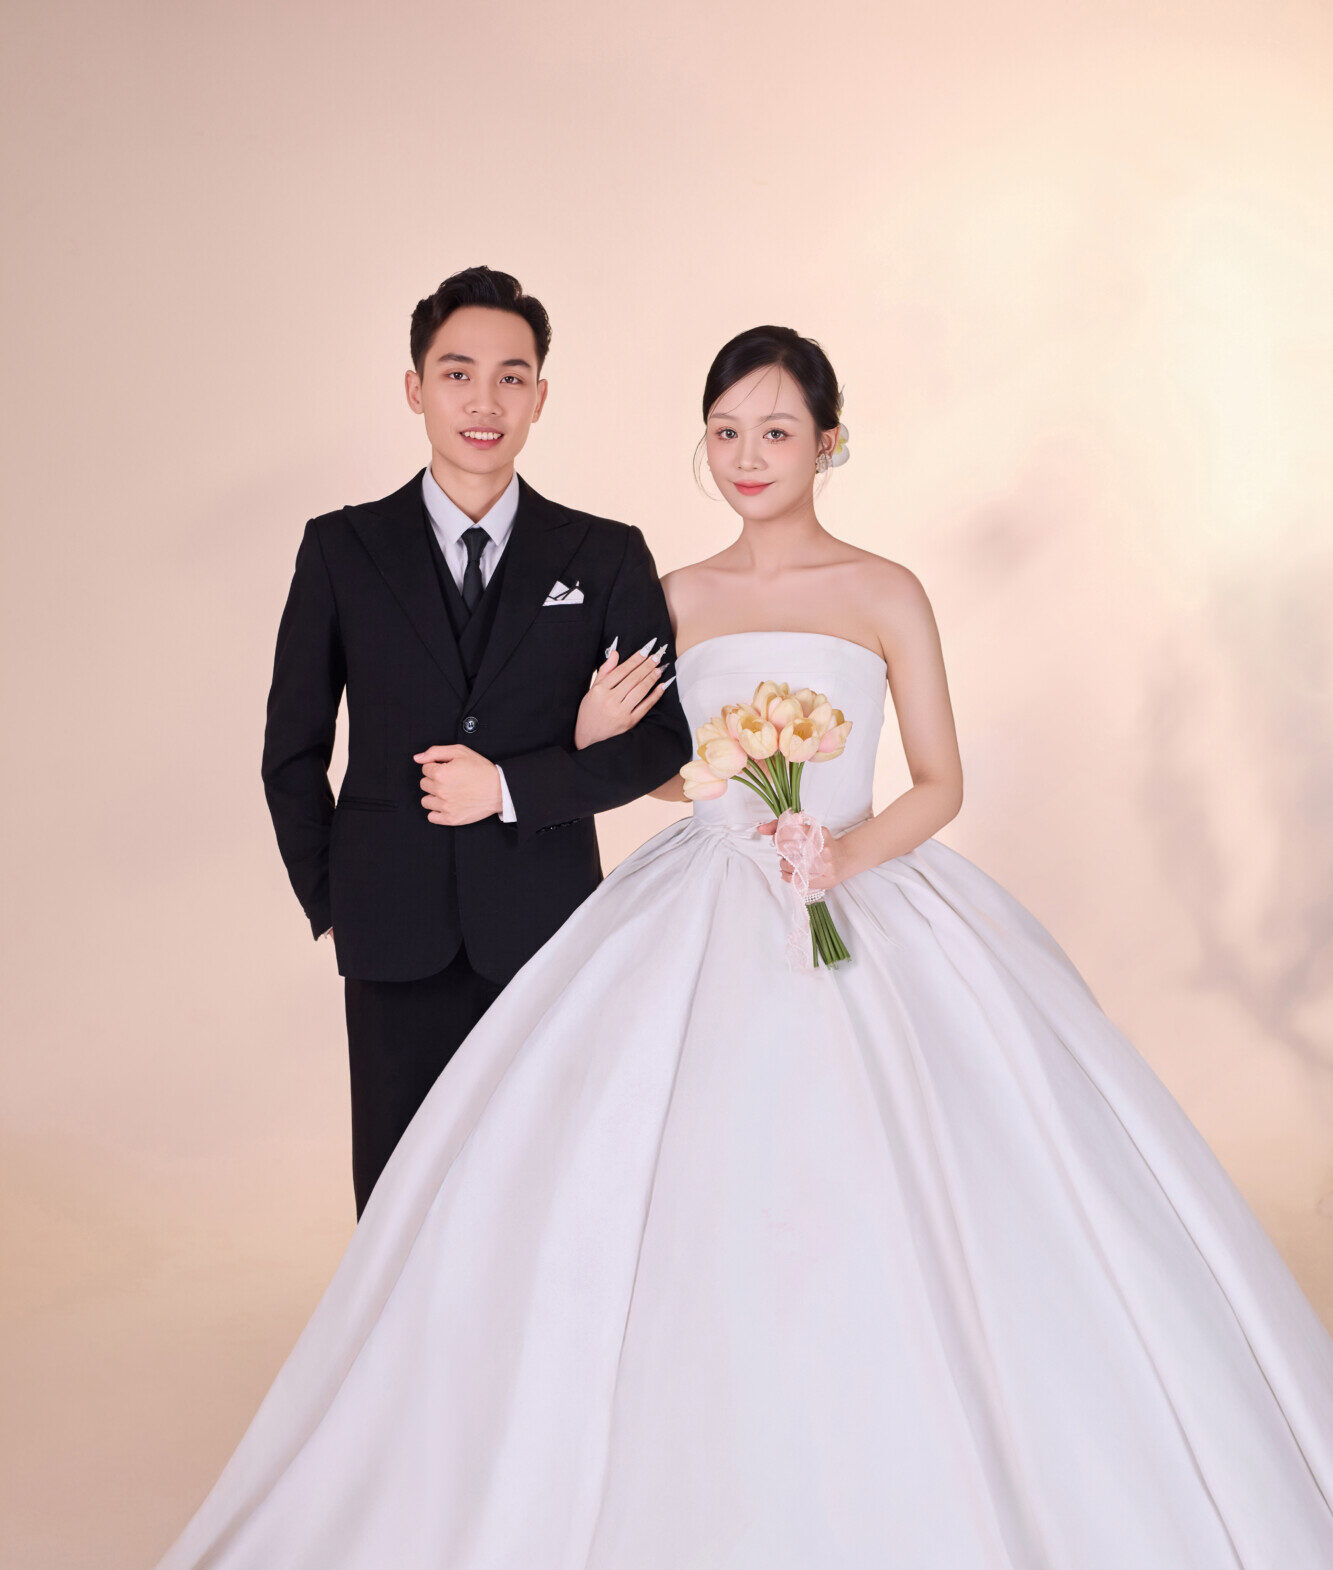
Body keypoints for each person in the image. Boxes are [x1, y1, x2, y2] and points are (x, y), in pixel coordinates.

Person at [161, 326, 1333, 1567]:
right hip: (704, 893)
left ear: (827, 442)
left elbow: (939, 782)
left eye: (775, 431)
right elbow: (661, 769)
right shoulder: (671, 592)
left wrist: (840, 855)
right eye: (725, 433)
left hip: (858, 887)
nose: (748, 456)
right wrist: (623, 747)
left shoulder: (886, 591)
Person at [261, 265, 691, 1215]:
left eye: (510, 377)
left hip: (544, 923)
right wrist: (334, 900)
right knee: (398, 1191)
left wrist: (511, 788)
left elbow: (661, 741)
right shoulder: (340, 548)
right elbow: (291, 749)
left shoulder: (604, 552)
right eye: (457, 374)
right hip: (388, 924)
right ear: (415, 389)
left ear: (540, 396)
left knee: (540, 1191)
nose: (483, 402)